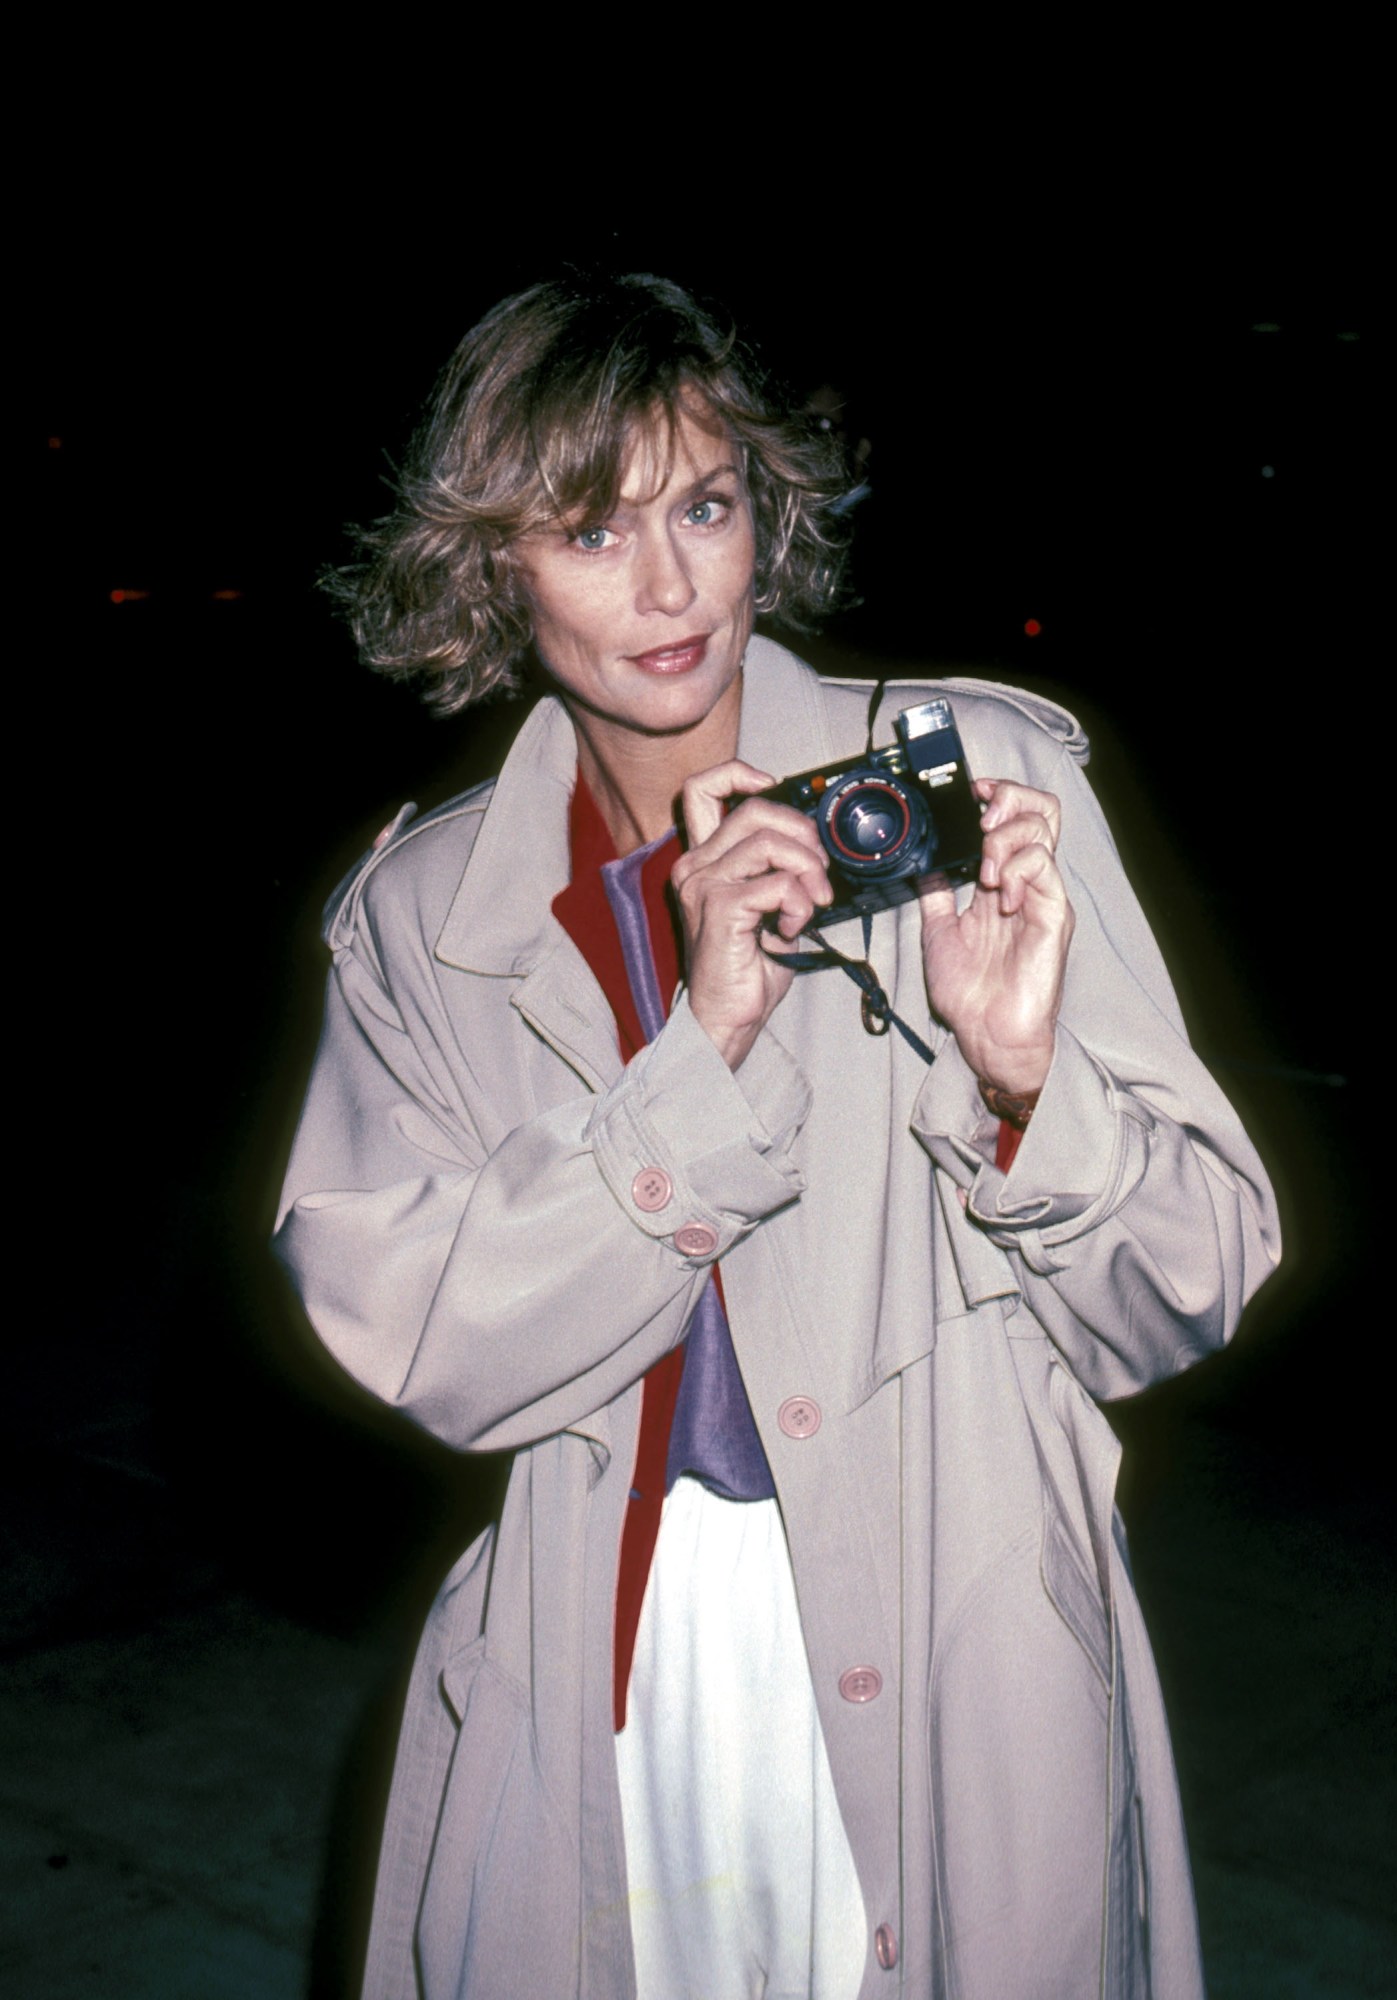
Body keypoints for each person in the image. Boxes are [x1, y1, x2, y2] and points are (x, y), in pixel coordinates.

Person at [274, 273, 1280, 2000]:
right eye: (590, 530)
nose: (668, 587)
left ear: (769, 519)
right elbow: (433, 1350)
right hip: (612, 1647)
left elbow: (1185, 1291)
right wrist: (708, 1045)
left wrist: (1022, 1078)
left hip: (959, 1627)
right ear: (488, 567)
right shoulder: (430, 913)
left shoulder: (963, 783)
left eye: (706, 506)